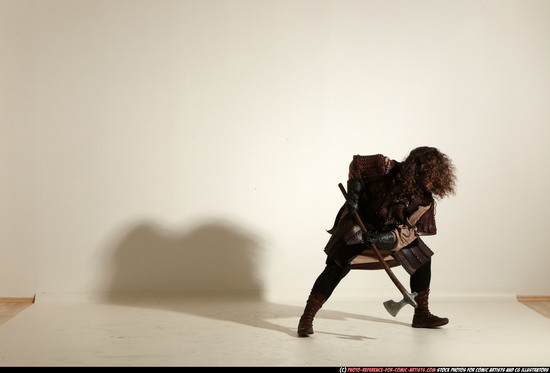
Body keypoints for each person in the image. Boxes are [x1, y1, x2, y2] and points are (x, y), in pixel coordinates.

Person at [297, 146, 457, 337]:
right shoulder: (386, 168)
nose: (431, 181)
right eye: (428, 174)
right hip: (358, 225)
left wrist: (384, 239)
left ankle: (421, 314)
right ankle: (306, 318)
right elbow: (357, 166)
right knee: (336, 267)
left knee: (422, 259)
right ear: (417, 169)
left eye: (436, 176)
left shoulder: (424, 201)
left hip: (387, 236)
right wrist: (354, 198)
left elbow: (408, 232)